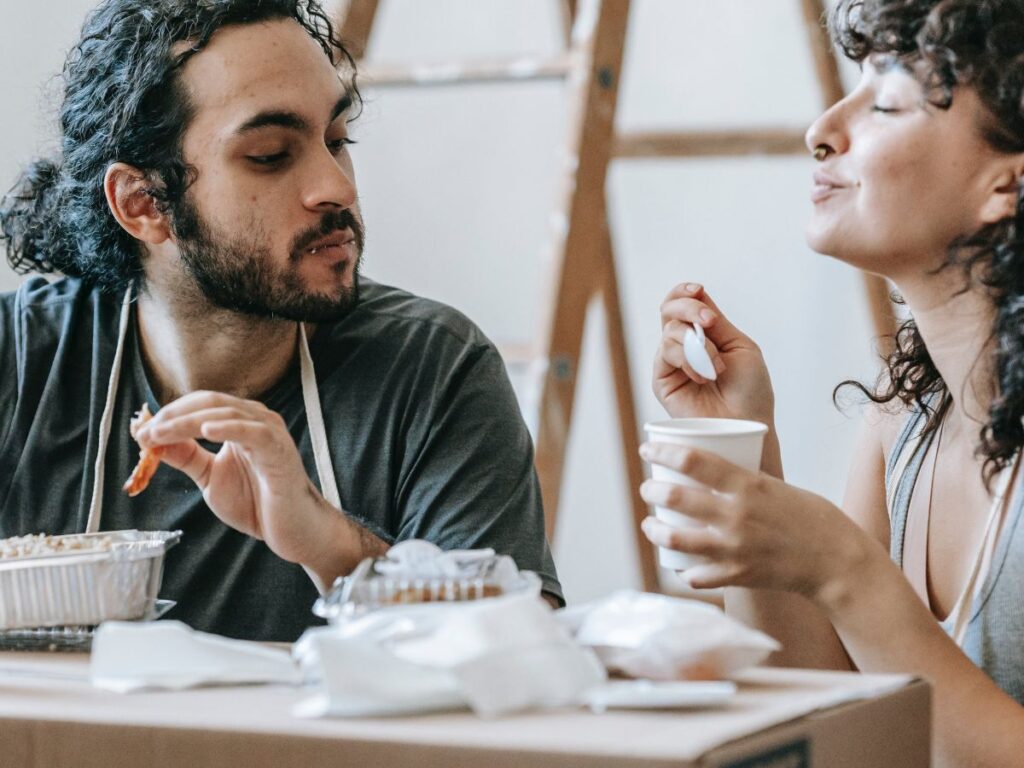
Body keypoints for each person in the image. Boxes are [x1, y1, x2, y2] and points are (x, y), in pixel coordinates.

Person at [0, 0, 561, 642]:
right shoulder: (20, 363)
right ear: (143, 203)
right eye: (270, 154)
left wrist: (328, 543)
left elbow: (523, 663)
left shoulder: (433, 369)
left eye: (337, 140)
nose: (336, 186)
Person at [642, 1, 1024, 764]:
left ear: (1006, 187)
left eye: (884, 101)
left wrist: (848, 572)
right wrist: (744, 451)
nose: (822, 129)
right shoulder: (906, 418)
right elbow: (830, 726)